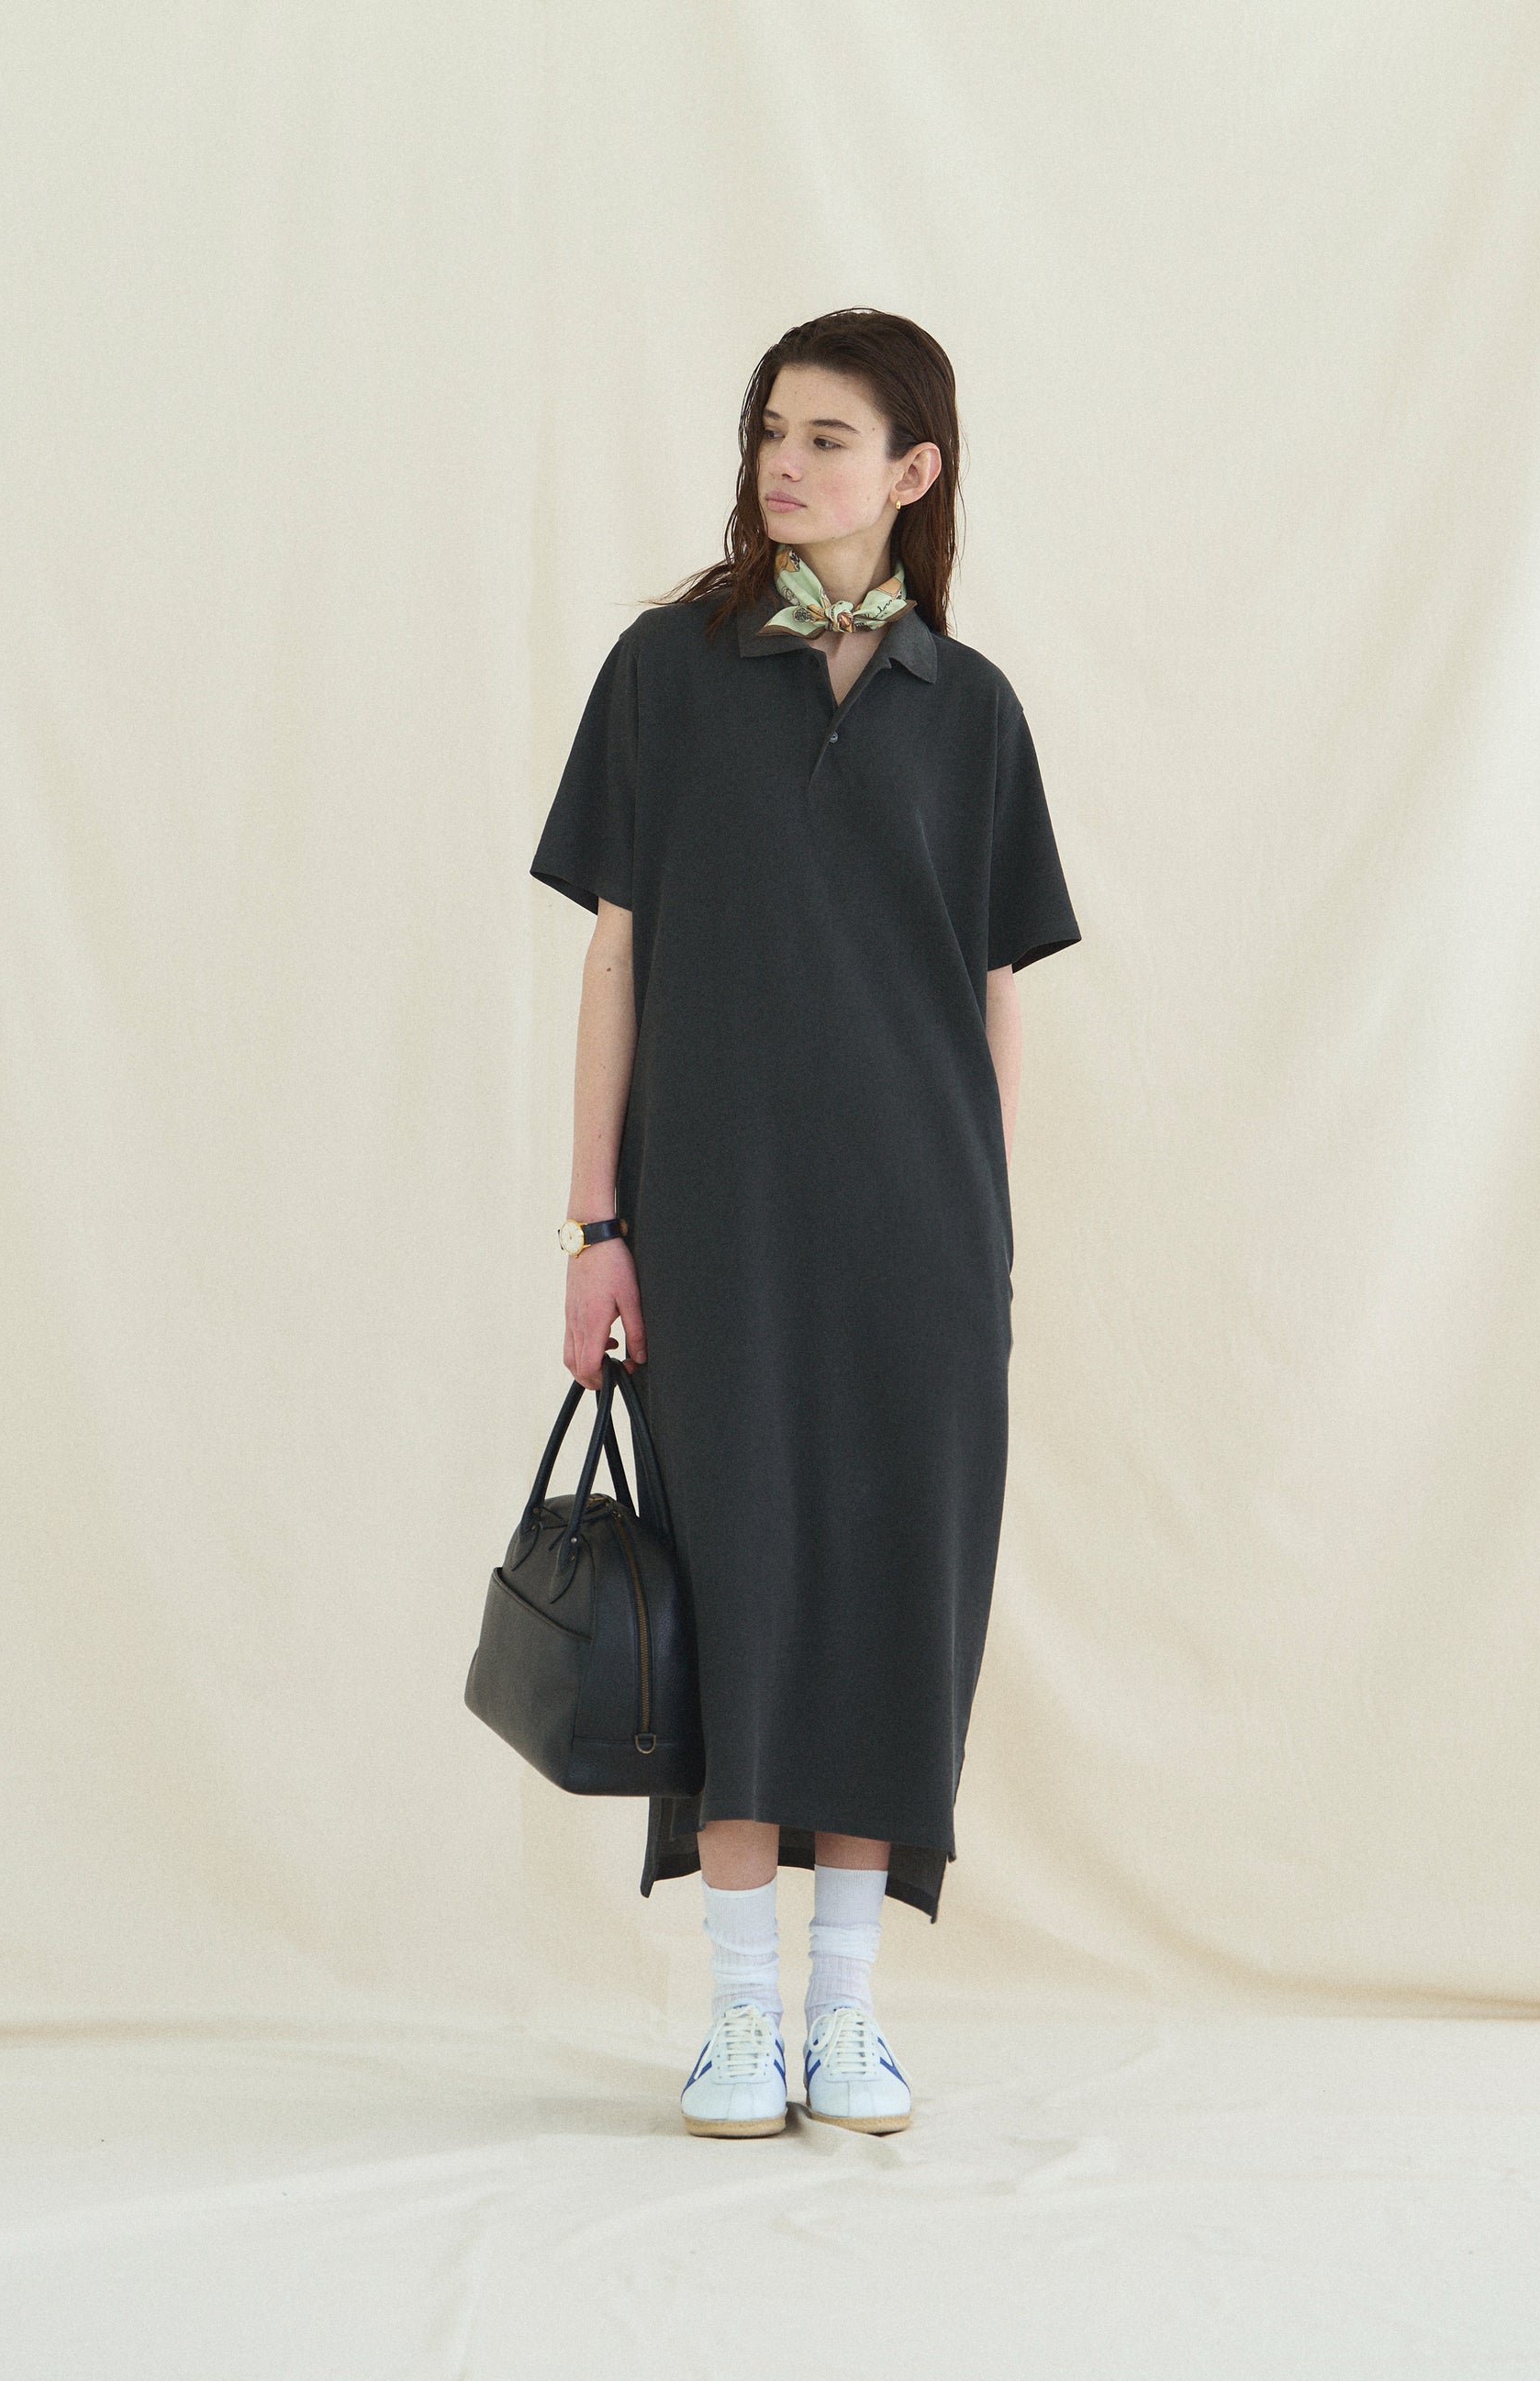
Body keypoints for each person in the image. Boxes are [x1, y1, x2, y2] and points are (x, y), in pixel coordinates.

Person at [530, 308, 1082, 2137]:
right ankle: (741, 2014)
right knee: (739, 1582)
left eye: (827, 437)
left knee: (894, 1592)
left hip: (922, 1230)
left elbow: (993, 990)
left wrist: (986, 1232)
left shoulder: (968, 708)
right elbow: (614, 956)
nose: (784, 461)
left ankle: (848, 2010)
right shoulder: (665, 673)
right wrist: (595, 1226)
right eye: (773, 428)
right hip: (716, 1221)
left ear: (912, 471)